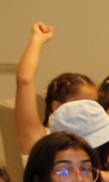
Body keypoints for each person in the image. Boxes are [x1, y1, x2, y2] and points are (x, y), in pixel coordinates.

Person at [13, 22, 98, 157]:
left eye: (94, 105)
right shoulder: (39, 140)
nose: (92, 111)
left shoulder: (94, 137)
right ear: (57, 107)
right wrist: (37, 39)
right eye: (83, 105)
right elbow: (24, 81)